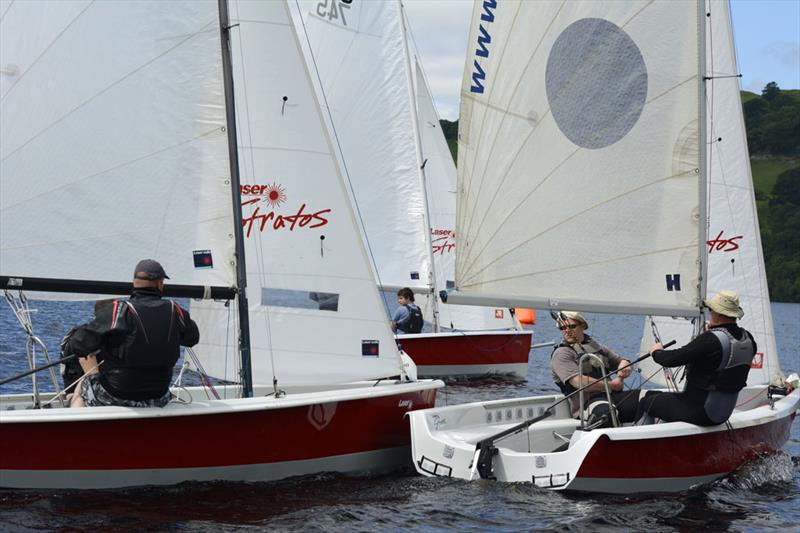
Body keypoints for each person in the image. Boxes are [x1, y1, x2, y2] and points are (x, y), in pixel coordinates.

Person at [63, 259, 199, 408]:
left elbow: (78, 344)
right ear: (160, 283)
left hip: (116, 396)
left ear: (134, 282)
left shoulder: (118, 311)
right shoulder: (176, 311)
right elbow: (192, 339)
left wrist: (104, 343)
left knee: (83, 385)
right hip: (159, 396)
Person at [637, 290, 757, 426]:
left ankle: (637, 444)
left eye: (711, 310)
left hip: (699, 411)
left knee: (646, 402)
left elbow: (672, 359)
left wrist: (656, 352)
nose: (709, 313)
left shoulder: (711, 340)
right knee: (652, 395)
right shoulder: (748, 339)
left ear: (718, 313)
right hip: (722, 413)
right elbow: (720, 360)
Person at [550, 311, 640, 426]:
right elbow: (578, 382)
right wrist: (613, 385)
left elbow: (621, 362)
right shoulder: (561, 353)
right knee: (606, 413)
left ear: (583, 326)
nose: (567, 331)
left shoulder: (597, 347)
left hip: (613, 397)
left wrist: (625, 364)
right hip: (588, 405)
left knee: (655, 399)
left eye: (572, 326)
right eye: (563, 328)